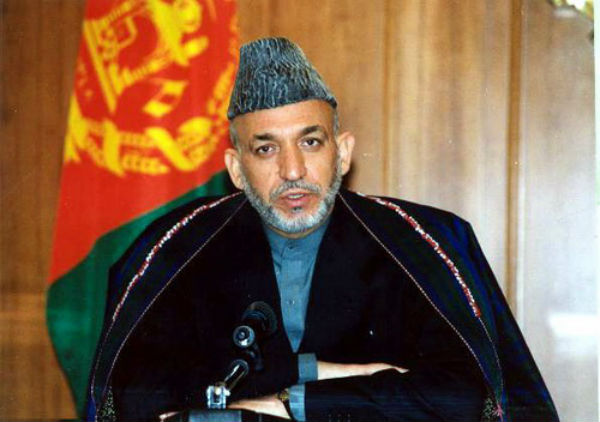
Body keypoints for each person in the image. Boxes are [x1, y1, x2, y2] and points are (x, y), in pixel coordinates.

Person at [86, 37, 559, 422]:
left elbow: (468, 398)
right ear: (235, 168)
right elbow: (133, 398)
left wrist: (291, 404)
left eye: (310, 142)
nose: (293, 170)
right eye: (266, 149)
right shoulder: (174, 249)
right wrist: (313, 372)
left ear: (343, 152)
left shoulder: (423, 242)